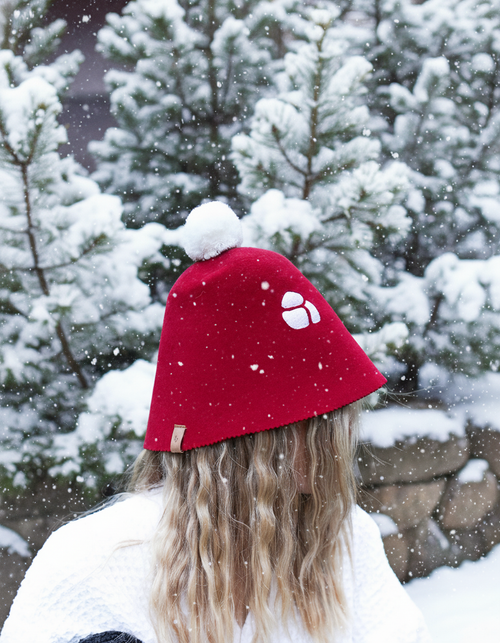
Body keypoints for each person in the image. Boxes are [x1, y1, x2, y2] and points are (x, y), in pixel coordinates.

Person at [0, 203, 431, 643]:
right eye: (323, 425)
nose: (341, 443)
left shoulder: (341, 539)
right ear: (264, 438)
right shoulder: (99, 560)